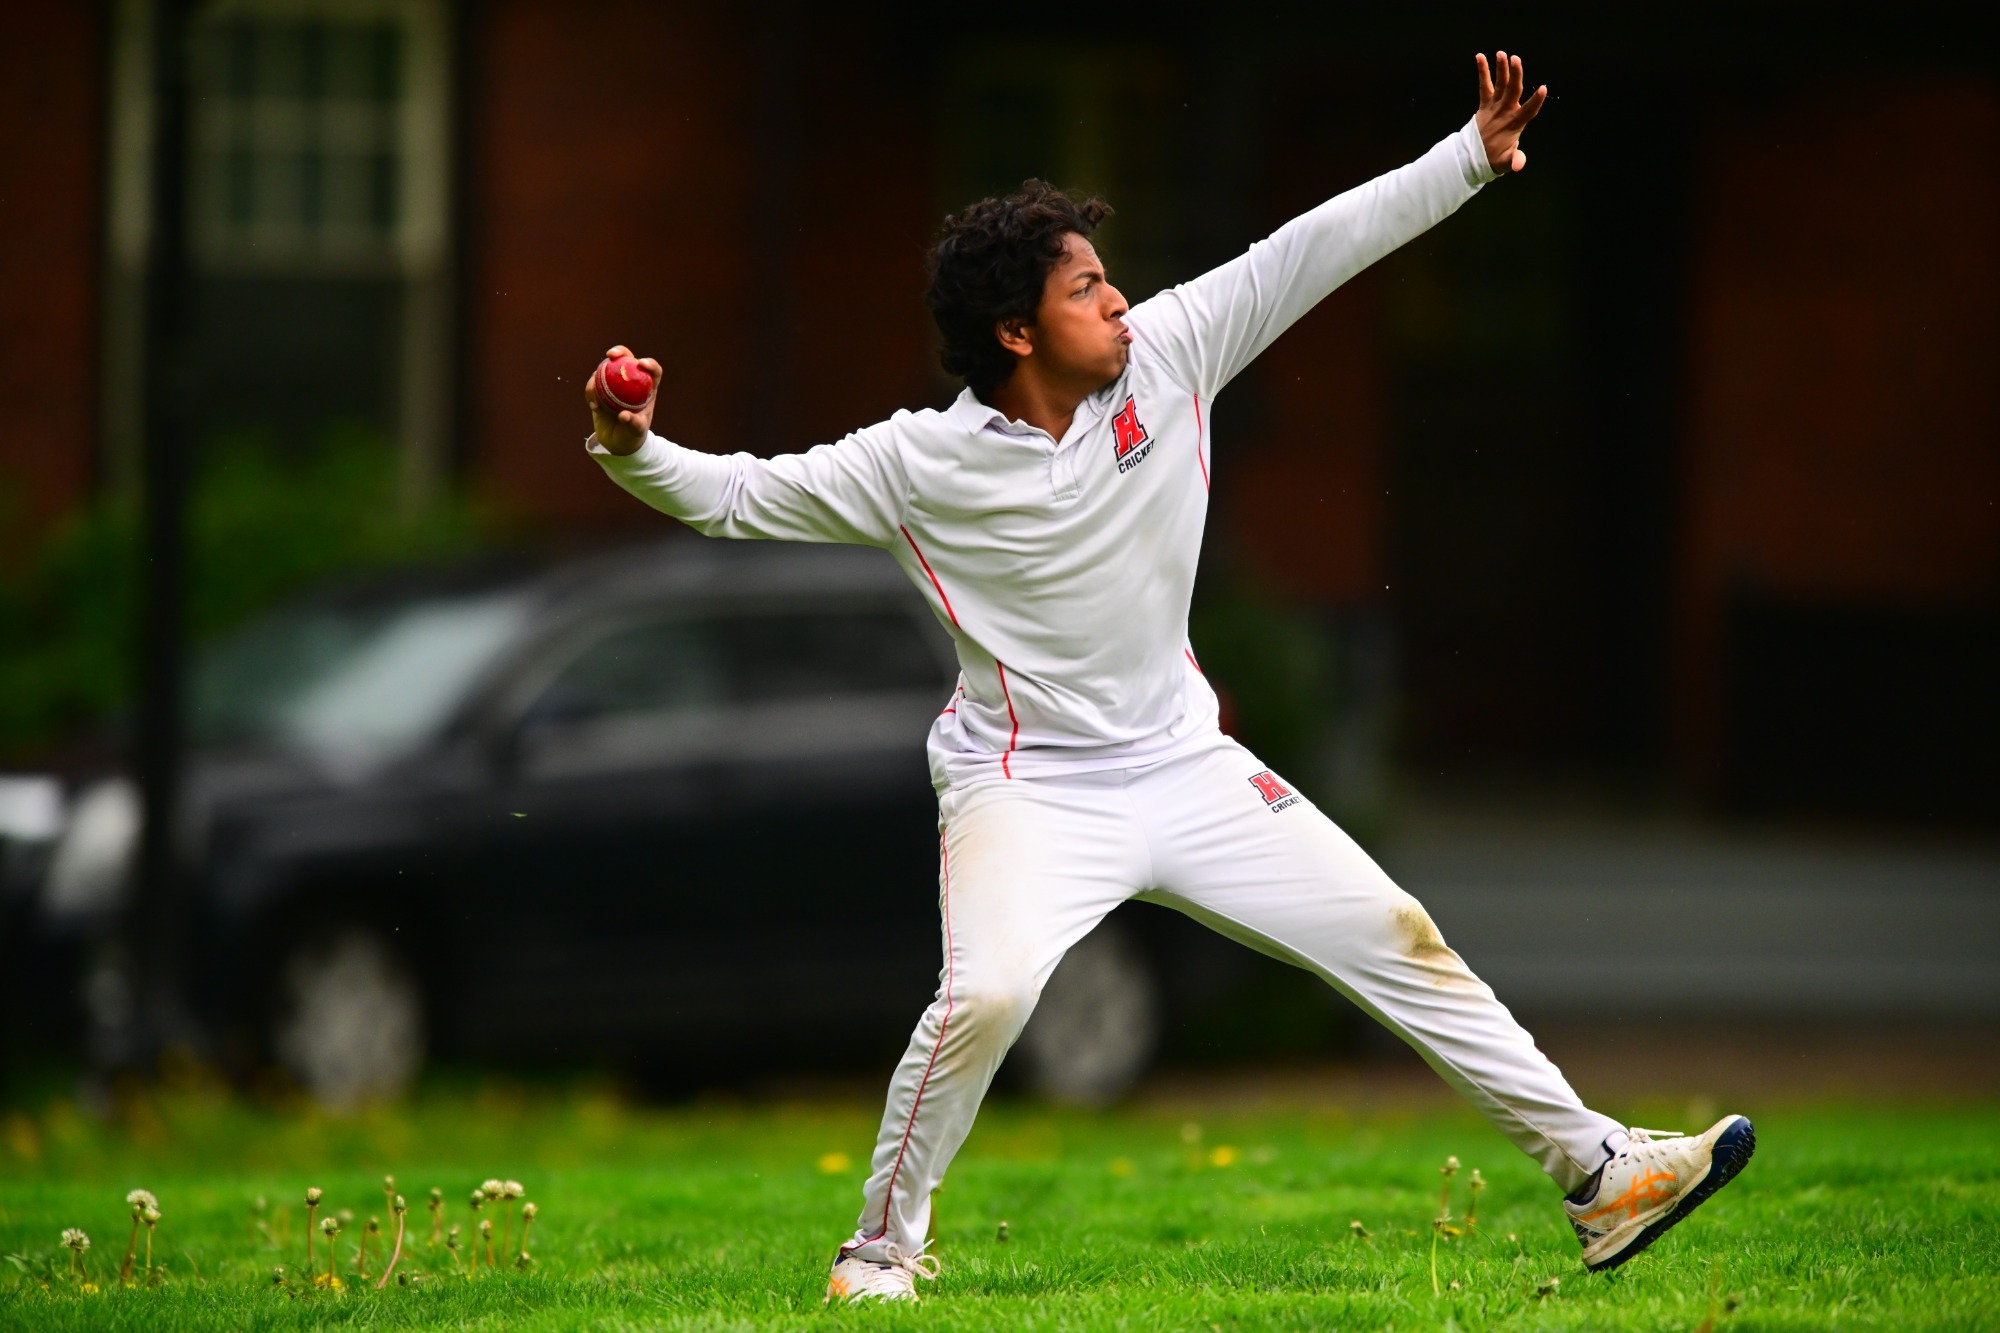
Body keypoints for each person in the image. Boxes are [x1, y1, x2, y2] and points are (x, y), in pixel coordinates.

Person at [583, 50, 1753, 1303]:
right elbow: (737, 496)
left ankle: (1599, 1175)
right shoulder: (916, 464)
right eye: (1087, 288)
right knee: (986, 995)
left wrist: (1466, 157)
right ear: (1016, 331)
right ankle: (878, 1251)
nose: (1120, 302)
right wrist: (629, 445)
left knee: (1395, 935)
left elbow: (1312, 248)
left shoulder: (1169, 354)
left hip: (1184, 765)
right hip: (1023, 785)